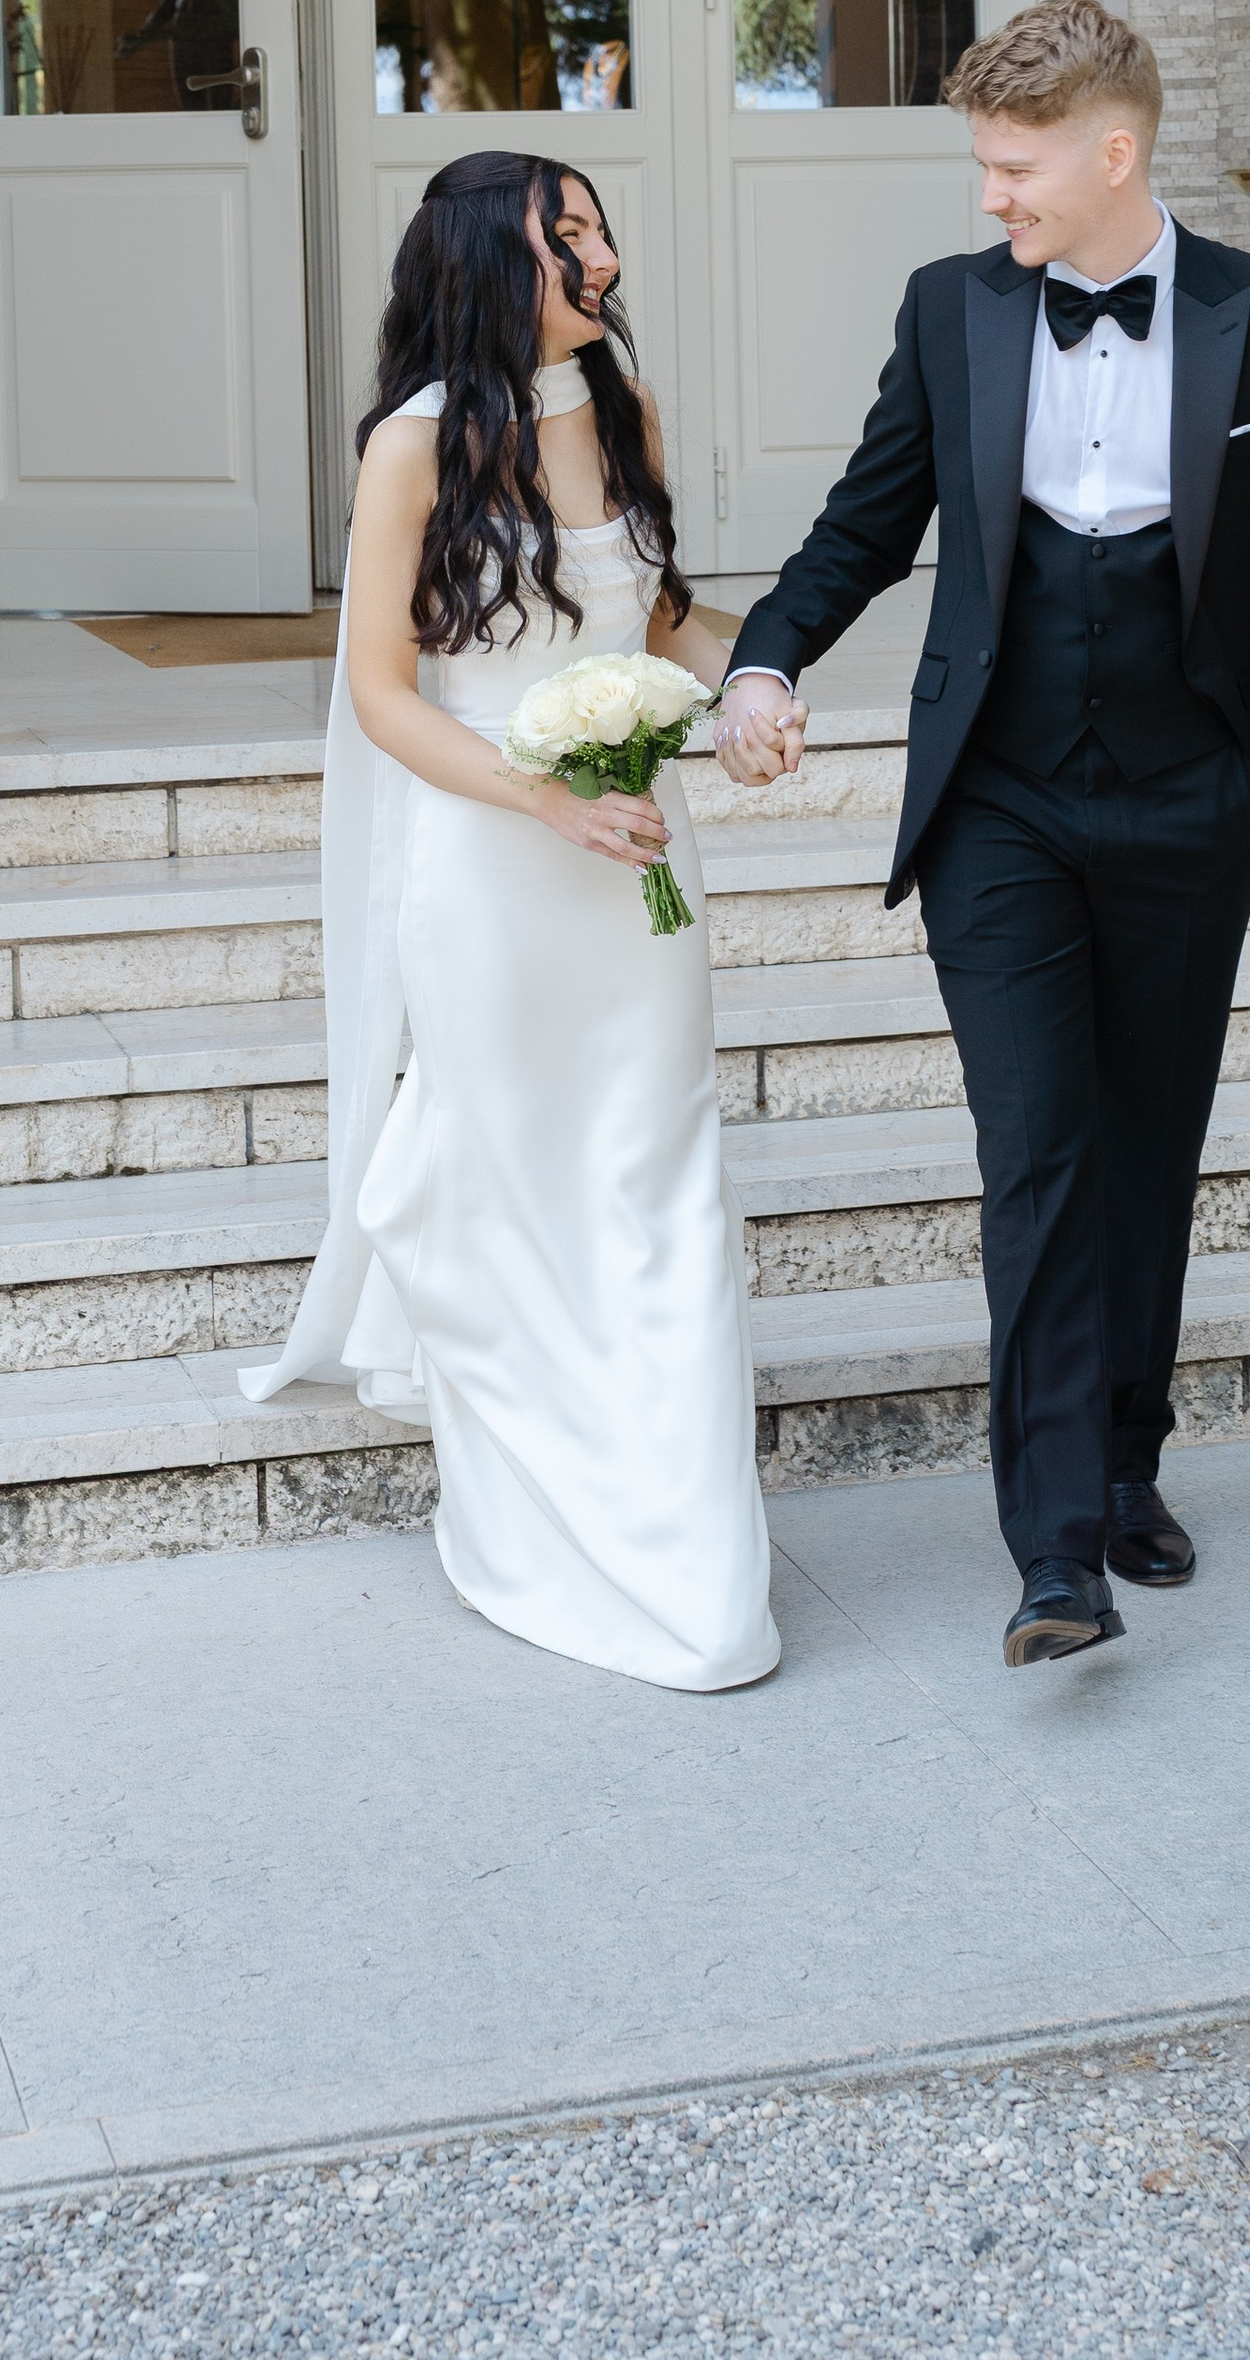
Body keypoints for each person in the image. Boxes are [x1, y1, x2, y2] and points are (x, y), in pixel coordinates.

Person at [717, 0, 1250, 1670]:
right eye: (983, 165)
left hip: (1190, 799)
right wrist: (764, 657)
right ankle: (1057, 1550)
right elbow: (869, 519)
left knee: (1149, 1147)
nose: (990, 197)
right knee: (1043, 1153)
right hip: (1000, 802)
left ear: (1113, 152)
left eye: (1014, 167)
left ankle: (1129, 1462)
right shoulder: (951, 313)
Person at [243, 151, 777, 1693]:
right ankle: (529, 1515)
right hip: (490, 875)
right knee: (524, 1190)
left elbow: (661, 620)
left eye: (603, 228)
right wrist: (542, 801)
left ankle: (690, 1556)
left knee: (662, 1185)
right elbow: (379, 698)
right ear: (495, 263)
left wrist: (759, 687)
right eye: (572, 239)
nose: (604, 260)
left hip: (638, 881)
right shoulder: (413, 450)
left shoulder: (622, 408)